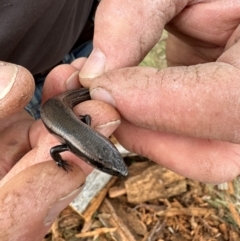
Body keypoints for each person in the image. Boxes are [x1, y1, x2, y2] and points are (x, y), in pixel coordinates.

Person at [1, 0, 240, 240]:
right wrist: (65, 155)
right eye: (104, 165)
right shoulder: (70, 141)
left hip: (81, 42)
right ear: (84, 152)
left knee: (90, 85)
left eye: (107, 162)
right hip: (29, 98)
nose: (112, 168)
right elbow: (61, 145)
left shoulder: (73, 139)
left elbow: (76, 127)